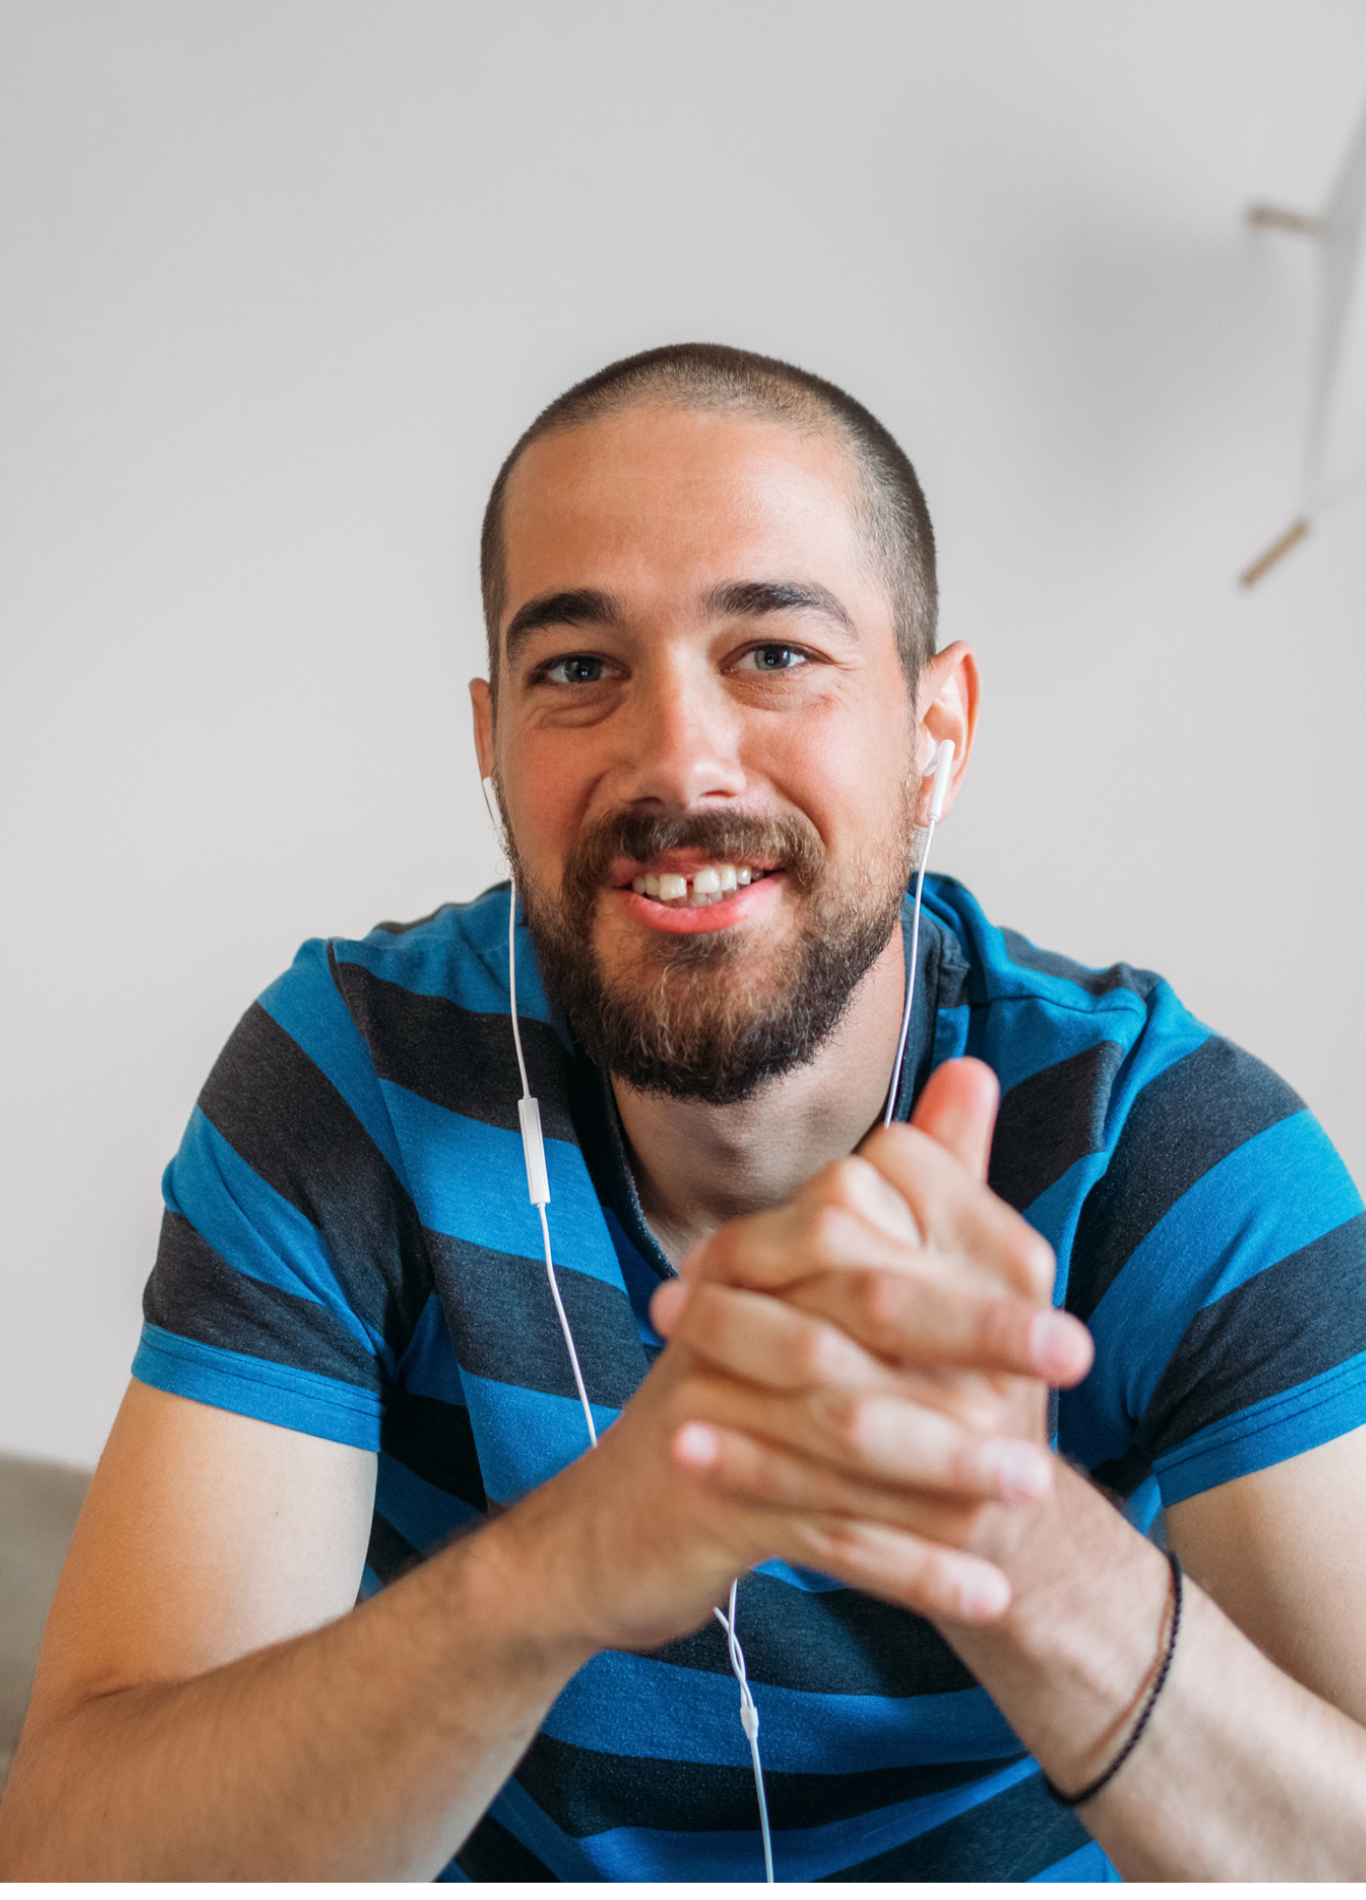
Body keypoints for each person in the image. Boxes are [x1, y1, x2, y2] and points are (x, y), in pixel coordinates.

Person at [3, 343, 1366, 1883]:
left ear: (936, 731)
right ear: (492, 744)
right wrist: (561, 1572)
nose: (678, 760)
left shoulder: (1175, 1152)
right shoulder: (348, 1080)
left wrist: (1014, 1546)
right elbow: (77, 1858)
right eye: (577, 668)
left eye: (773, 651)